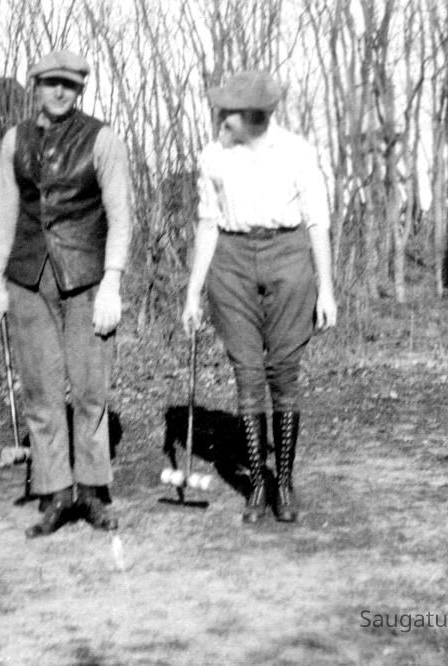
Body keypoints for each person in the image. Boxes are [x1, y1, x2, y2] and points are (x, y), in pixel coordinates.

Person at [0, 50, 131, 538]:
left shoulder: (102, 139)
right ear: (36, 86)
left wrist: (112, 282)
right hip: (28, 279)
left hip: (87, 280)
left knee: (90, 391)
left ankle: (92, 493)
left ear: (80, 89)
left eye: (69, 84)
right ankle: (56, 494)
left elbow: (120, 215)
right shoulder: (14, 141)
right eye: (51, 83)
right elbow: (5, 210)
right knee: (42, 393)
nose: (60, 91)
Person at [181, 70, 337, 525]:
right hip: (231, 264)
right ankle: (256, 485)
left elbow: (317, 222)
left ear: (252, 115)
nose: (221, 119)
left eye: (228, 112)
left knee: (283, 373)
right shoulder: (213, 155)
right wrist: (193, 292)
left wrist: (326, 289)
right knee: (247, 375)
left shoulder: (298, 152)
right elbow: (207, 223)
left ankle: (282, 482)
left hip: (288, 259)